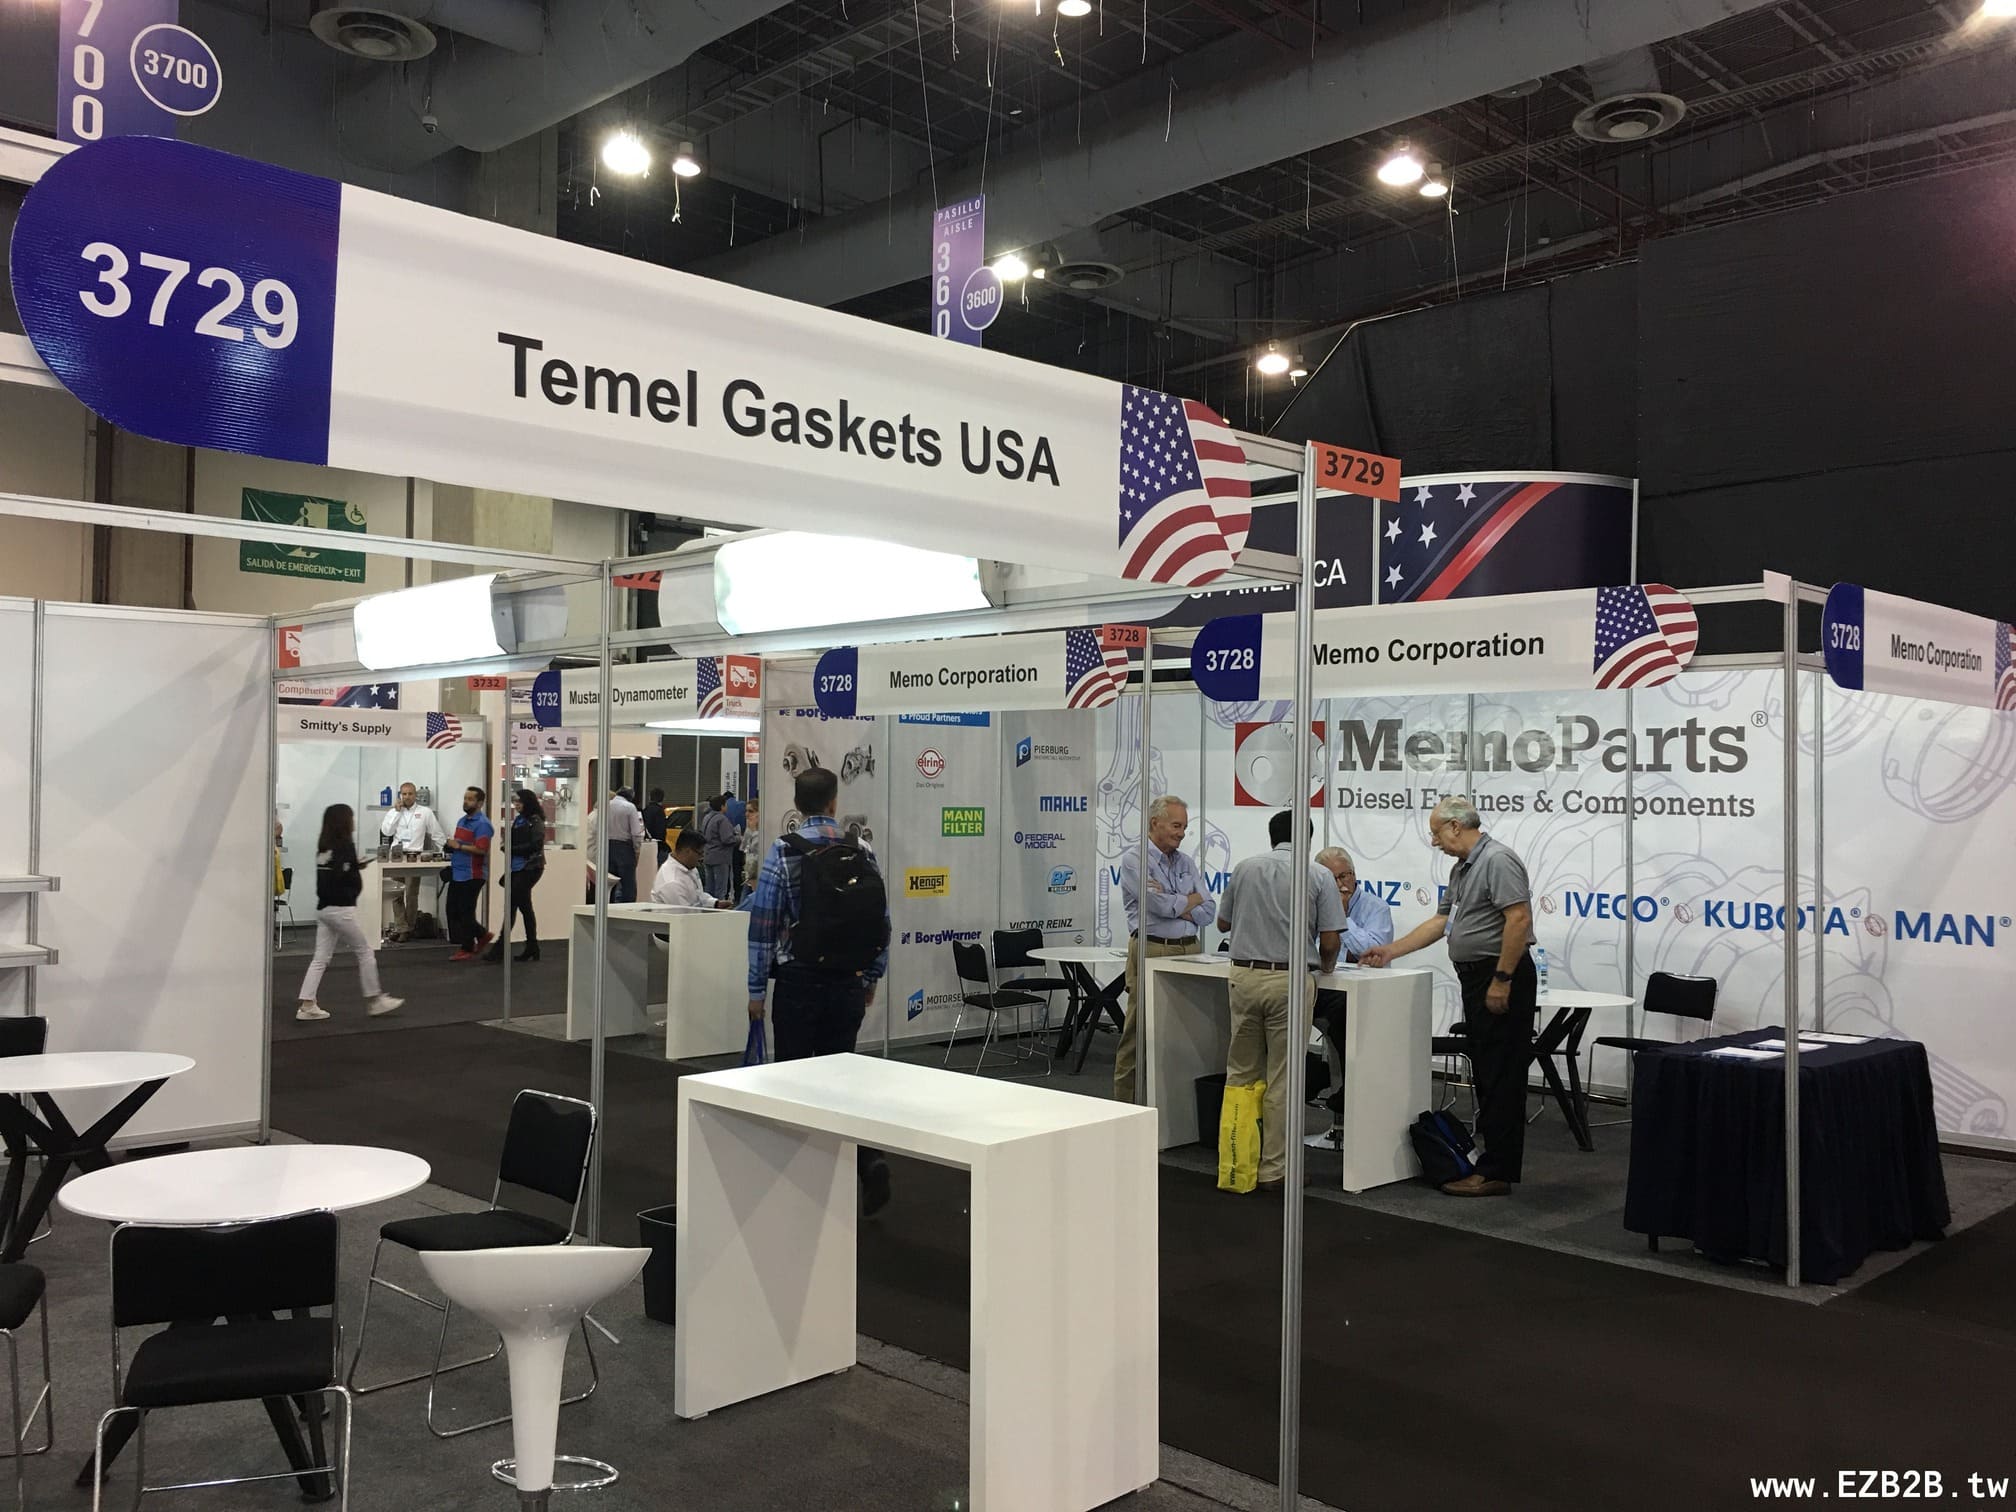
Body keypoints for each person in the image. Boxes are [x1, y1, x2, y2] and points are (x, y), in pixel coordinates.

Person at [1361, 796, 1537, 1198]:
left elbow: (1519, 919)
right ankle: (1493, 1164)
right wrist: (1390, 951)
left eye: (1436, 832)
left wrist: (1502, 978)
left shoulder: (1497, 860)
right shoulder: (1463, 868)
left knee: (1501, 1075)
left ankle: (1497, 1171)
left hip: (1498, 975)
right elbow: (1443, 921)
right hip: (1478, 978)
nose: (1434, 841)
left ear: (1456, 826)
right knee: (1488, 1072)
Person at [746, 767, 893, 1215]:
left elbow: (763, 926)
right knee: (840, 1083)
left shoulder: (783, 851)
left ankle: (799, 1187)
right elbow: (880, 921)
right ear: (834, 802)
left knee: (793, 1082)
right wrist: (870, 978)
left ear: (798, 803)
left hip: (798, 982)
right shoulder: (860, 849)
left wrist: (756, 991)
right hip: (846, 982)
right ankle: (863, 1160)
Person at [1214, 811, 1345, 1192]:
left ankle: (1236, 1165)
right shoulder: (1318, 875)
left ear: (1272, 836)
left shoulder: (1244, 868)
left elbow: (1223, 923)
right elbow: (1331, 939)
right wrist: (1325, 968)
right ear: (1307, 838)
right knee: (1282, 1079)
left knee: (1240, 1075)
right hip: (1289, 980)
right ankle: (1274, 1169)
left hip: (1243, 976)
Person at [1114, 795, 1215, 1103]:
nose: (1181, 833)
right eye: (1176, 826)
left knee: (1187, 1030)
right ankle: (1125, 1106)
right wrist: (1188, 900)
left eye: (1184, 827)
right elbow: (1156, 905)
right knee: (1140, 1029)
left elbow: (1209, 910)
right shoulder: (1134, 860)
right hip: (1153, 949)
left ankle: (1176, 1108)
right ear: (1155, 823)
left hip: (1191, 950)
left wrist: (1176, 902)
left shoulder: (1185, 862)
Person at [295, 804, 403, 1022]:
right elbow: (342, 876)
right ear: (344, 821)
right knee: (365, 951)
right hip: (341, 909)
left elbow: (334, 873)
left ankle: (307, 1004)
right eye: (351, 818)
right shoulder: (345, 845)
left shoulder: (324, 847)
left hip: (324, 908)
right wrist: (353, 869)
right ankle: (375, 1000)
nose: (354, 822)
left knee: (320, 958)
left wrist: (352, 866)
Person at [377, 781, 446, 941]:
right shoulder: (394, 812)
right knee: (396, 893)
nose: (407, 797)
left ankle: (409, 927)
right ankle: (401, 927)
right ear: (400, 795)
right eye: (404, 794)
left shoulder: (425, 812)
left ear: (415, 795)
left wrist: (445, 850)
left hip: (415, 857)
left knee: (411, 894)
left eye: (410, 793)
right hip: (397, 856)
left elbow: (436, 833)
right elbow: (387, 831)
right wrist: (396, 812)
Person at [488, 789, 545, 963]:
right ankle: (531, 946)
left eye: (519, 801)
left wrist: (511, 849)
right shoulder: (519, 820)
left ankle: (501, 948)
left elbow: (536, 845)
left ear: (527, 802)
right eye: (514, 801)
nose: (516, 804)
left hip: (530, 868)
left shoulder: (535, 820)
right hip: (517, 868)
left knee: (514, 906)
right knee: (523, 907)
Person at [443, 786, 494, 962]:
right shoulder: (461, 821)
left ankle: (468, 946)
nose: (466, 802)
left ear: (480, 803)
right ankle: (481, 935)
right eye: (465, 798)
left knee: (465, 912)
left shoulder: (483, 824)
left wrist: (459, 846)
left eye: (470, 799)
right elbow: (459, 844)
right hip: (458, 872)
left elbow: (481, 849)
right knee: (453, 910)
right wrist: (451, 846)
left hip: (473, 874)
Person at [586, 784, 649, 903]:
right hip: (624, 848)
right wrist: (637, 850)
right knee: (628, 885)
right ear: (631, 797)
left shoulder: (605, 805)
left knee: (609, 883)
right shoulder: (630, 807)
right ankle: (627, 910)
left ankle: (607, 907)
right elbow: (636, 833)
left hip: (606, 847)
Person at [650, 828, 731, 909]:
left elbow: (698, 895)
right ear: (688, 851)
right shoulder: (672, 882)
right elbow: (685, 913)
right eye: (700, 853)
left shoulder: (689, 867)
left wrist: (715, 903)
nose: (702, 858)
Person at [700, 792, 741, 902]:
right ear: (722, 806)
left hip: (708, 855)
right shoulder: (721, 819)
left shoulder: (707, 817)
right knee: (720, 888)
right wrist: (739, 838)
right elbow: (727, 839)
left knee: (709, 887)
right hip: (720, 857)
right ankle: (719, 908)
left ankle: (709, 907)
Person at [643, 787, 671, 865]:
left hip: (646, 845)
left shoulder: (645, 810)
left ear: (649, 797)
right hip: (658, 846)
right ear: (663, 798)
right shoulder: (659, 811)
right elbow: (660, 831)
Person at [741, 800, 762, 897]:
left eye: (751, 811)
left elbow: (756, 849)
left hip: (758, 875)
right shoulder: (749, 829)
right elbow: (744, 847)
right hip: (749, 875)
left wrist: (754, 830)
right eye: (746, 811)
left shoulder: (763, 832)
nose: (747, 814)